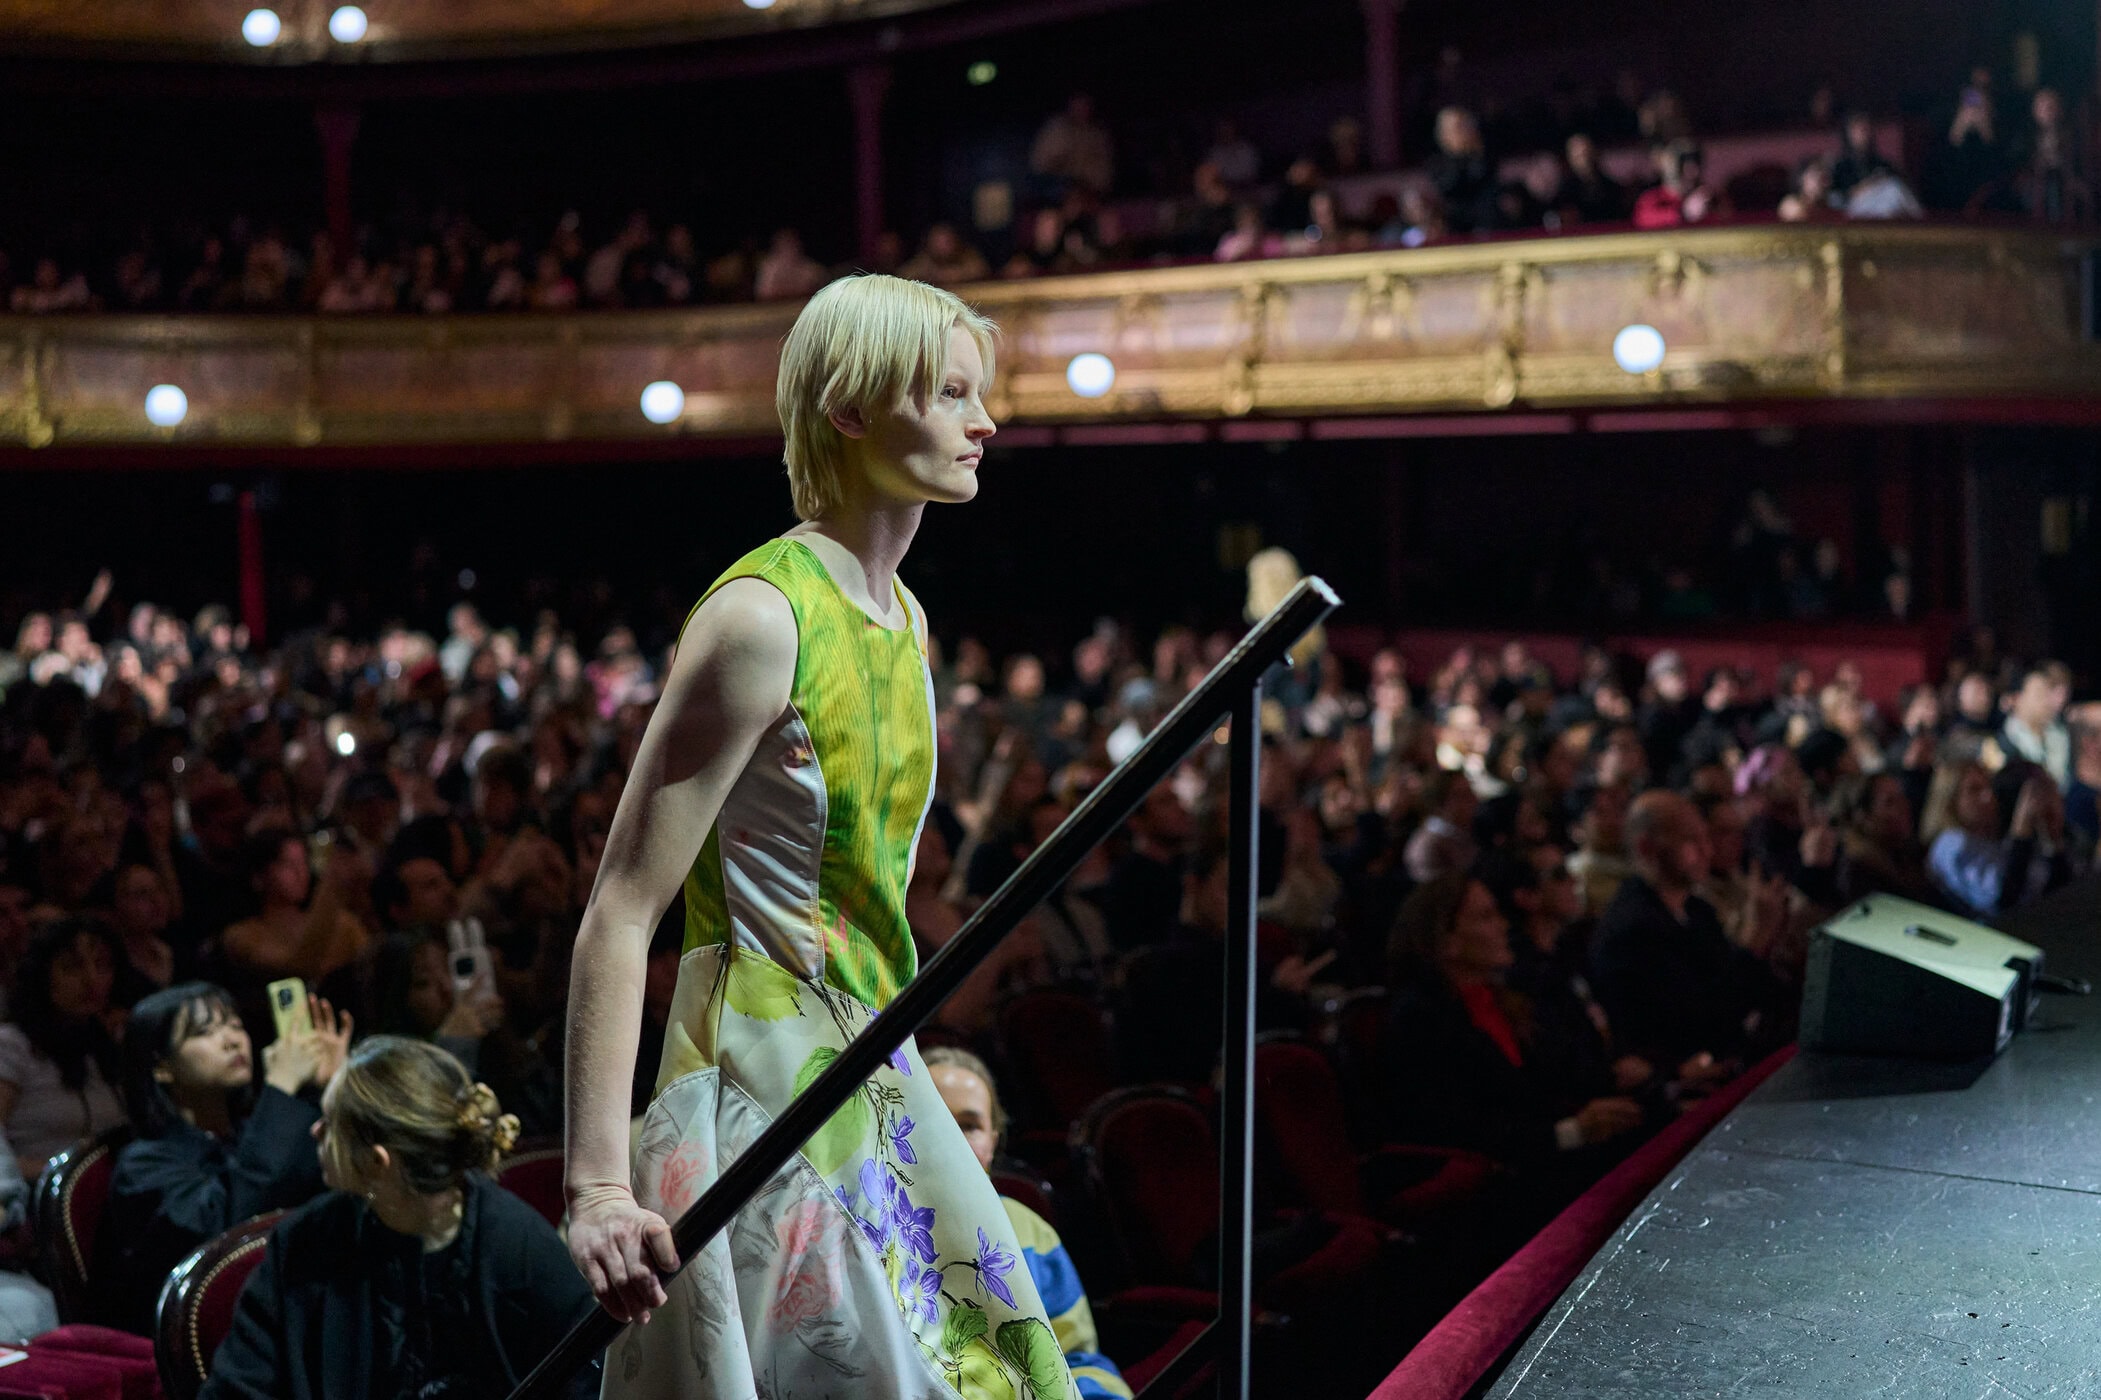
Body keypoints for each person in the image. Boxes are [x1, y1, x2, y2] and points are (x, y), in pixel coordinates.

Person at [562, 275, 1078, 1400]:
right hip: (760, 1084)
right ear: (849, 408)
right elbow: (620, 907)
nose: (981, 420)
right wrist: (598, 1185)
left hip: (868, 1066)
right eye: (947, 392)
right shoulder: (760, 616)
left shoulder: (905, 617)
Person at [199, 1036, 594, 1399]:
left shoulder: (521, 1250)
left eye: (331, 1122)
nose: (315, 1131)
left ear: (376, 1163)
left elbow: (589, 1385)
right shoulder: (305, 1242)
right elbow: (235, 1391)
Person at [96, 983, 349, 1335]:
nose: (232, 1040)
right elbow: (228, 1232)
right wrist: (281, 1086)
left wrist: (326, 1091)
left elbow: (331, 1190)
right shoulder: (144, 1165)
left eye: (234, 1025)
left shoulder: (254, 1130)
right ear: (161, 1067)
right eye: (205, 1032)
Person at [925, 1047, 1131, 1400]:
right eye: (934, 1117)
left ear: (993, 1141)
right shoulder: (858, 1225)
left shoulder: (1028, 1231)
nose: (952, 1138)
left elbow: (1076, 1358)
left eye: (970, 1125)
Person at [1590, 792, 1782, 1076]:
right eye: (1691, 841)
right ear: (1647, 848)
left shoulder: (1696, 910)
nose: (1708, 851)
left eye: (1706, 838)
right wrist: (1756, 939)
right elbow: (1703, 1020)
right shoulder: (1633, 931)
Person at [0, 917, 129, 1179]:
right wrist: (60, 1175)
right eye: (72, 968)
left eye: (102, 966)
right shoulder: (13, 1045)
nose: (92, 980)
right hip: (36, 1203)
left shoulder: (108, 1046)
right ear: (43, 976)